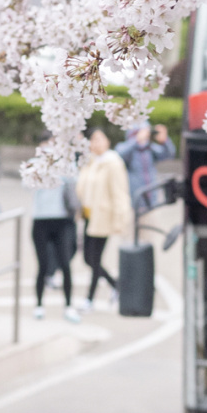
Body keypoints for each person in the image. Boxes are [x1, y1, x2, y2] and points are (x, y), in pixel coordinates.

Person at [75, 128, 132, 308]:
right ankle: (116, 285)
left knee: (94, 259)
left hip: (103, 217)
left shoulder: (112, 162)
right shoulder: (90, 162)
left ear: (107, 141)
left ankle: (90, 298)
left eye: (100, 139)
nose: (96, 143)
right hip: (89, 216)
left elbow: (119, 192)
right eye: (93, 140)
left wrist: (120, 218)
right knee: (88, 258)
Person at [31, 177, 81, 323]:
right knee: (42, 265)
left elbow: (73, 184)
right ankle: (39, 305)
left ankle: (68, 305)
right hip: (41, 219)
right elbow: (27, 184)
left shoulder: (66, 164)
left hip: (62, 219)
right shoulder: (37, 164)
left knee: (65, 263)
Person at [116, 120, 176, 216]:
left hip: (151, 199)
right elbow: (119, 155)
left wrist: (164, 141)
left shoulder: (149, 148)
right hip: (132, 200)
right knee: (132, 228)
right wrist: (136, 140)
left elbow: (169, 154)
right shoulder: (126, 147)